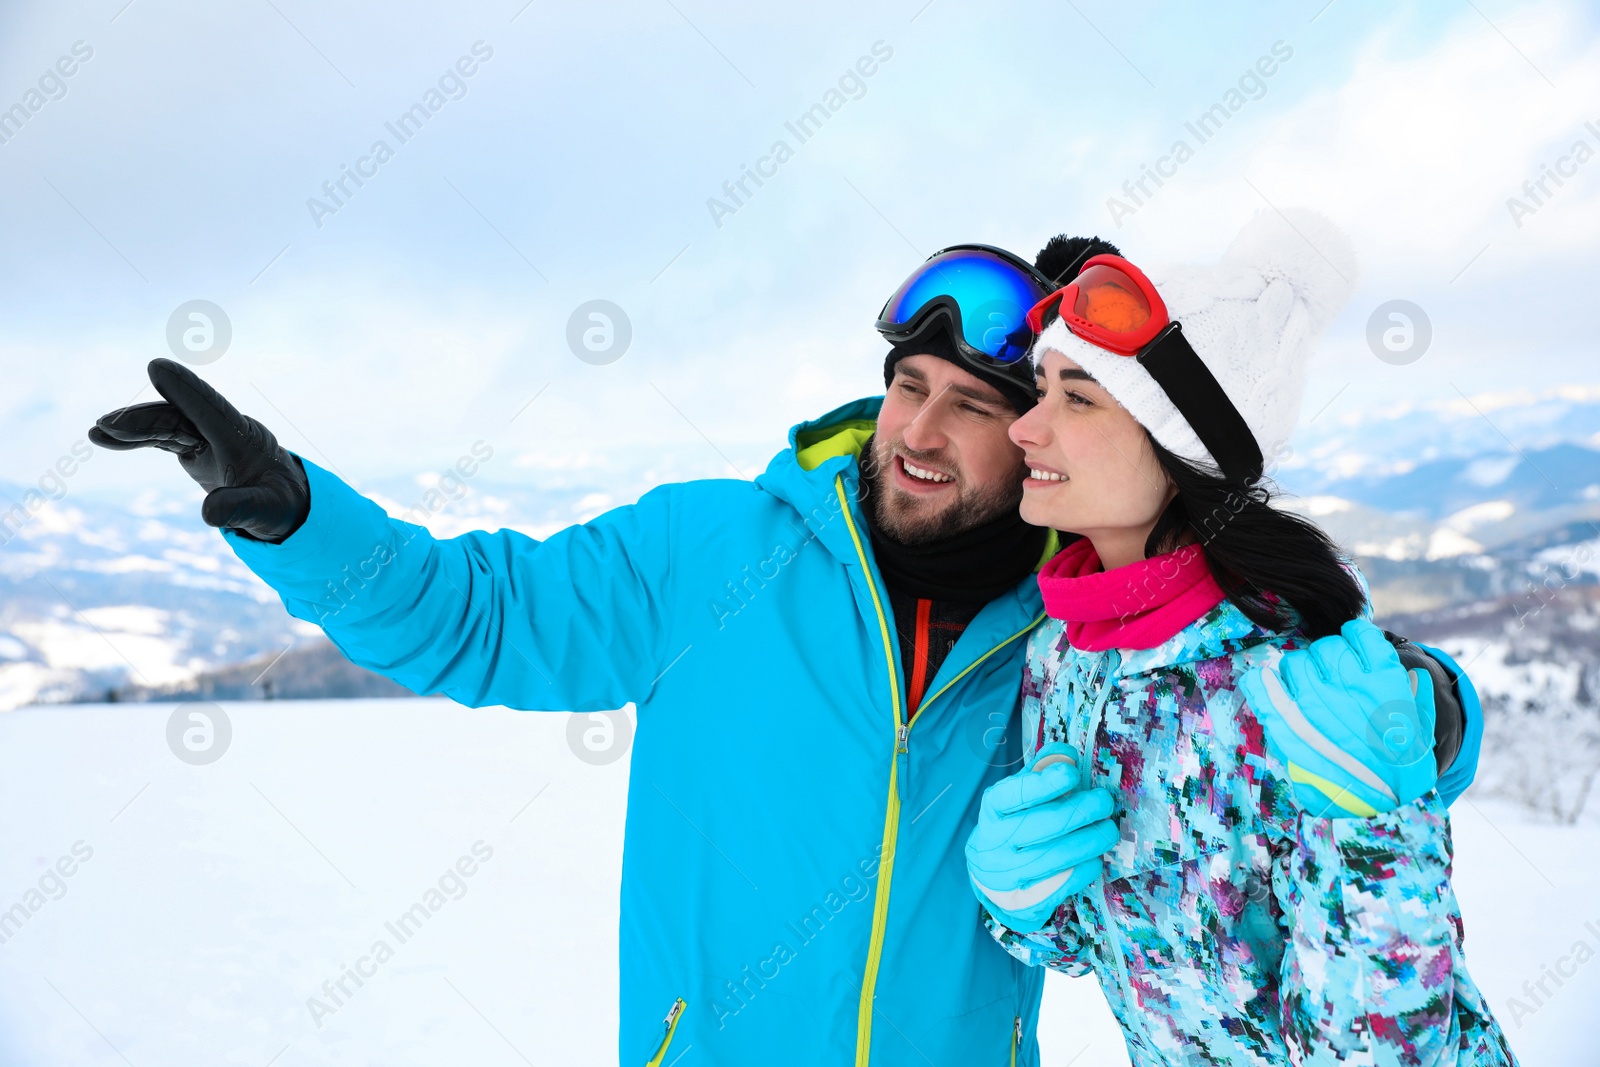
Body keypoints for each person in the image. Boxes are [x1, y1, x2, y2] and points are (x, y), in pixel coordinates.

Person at [90, 233, 1480, 1066]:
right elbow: (476, 613)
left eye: (976, 406)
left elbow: (1303, 671)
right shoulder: (713, 553)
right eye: (906, 388)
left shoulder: (1075, 630)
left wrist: (1430, 713)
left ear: (1042, 435)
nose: (918, 432)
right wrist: (291, 514)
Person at [966, 211, 1513, 1066]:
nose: (1025, 427)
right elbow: (1124, 944)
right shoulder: (1063, 657)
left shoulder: (1289, 676)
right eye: (1041, 391)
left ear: (1181, 449)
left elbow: (1383, 1052)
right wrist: (1025, 905)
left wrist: (1374, 833)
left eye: (1077, 397)